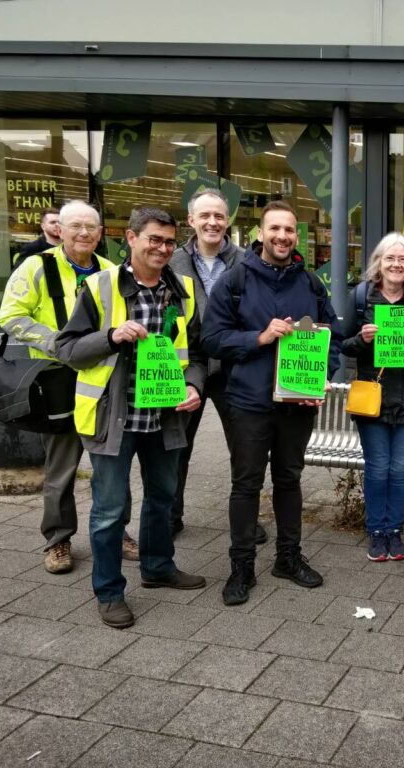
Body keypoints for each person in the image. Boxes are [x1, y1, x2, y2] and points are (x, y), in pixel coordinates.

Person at [54, 207, 207, 629]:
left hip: (165, 417)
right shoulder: (100, 287)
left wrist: (194, 385)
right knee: (109, 509)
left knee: (162, 497)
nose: (161, 248)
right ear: (131, 238)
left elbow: (196, 353)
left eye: (169, 242)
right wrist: (111, 336)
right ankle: (109, 592)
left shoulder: (183, 290)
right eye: (154, 239)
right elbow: (67, 348)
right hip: (113, 417)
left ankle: (158, 567)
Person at [202, 200, 340, 606]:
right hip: (248, 401)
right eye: (275, 229)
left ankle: (288, 558)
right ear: (259, 234)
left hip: (296, 404)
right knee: (245, 485)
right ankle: (241, 567)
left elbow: (329, 337)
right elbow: (210, 339)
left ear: (298, 236)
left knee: (289, 480)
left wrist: (323, 377)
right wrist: (257, 338)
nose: (283, 236)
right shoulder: (235, 280)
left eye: (290, 230)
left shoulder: (311, 284)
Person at [0, 200, 138, 574]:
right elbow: (10, 315)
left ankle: (119, 532)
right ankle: (58, 540)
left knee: (112, 464)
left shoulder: (111, 271)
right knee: (61, 468)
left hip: (102, 382)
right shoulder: (37, 267)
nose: (83, 233)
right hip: (57, 382)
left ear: (100, 232)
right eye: (75, 226)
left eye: (90, 227)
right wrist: (57, 342)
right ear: (59, 229)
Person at [341, 233, 404, 561]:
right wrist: (362, 339)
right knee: (377, 467)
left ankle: (395, 531)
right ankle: (376, 531)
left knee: (400, 469)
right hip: (374, 398)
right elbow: (343, 345)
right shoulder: (361, 298)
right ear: (379, 264)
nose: (396, 265)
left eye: (402, 259)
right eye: (390, 259)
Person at [168, 189, 251, 539]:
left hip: (235, 367)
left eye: (219, 216)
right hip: (190, 366)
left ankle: (245, 518)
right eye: (205, 216)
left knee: (245, 448)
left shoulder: (247, 261)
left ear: (227, 220)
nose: (212, 222)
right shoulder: (173, 261)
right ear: (191, 221)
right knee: (177, 446)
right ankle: (170, 516)